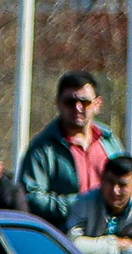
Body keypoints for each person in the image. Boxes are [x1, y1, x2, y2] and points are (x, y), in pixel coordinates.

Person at [19, 71, 117, 226]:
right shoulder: (43, 148)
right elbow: (30, 197)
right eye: (70, 102)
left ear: (98, 104)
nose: (78, 108)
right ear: (58, 103)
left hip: (110, 233)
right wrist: (80, 204)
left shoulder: (110, 142)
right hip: (66, 237)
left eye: (85, 102)